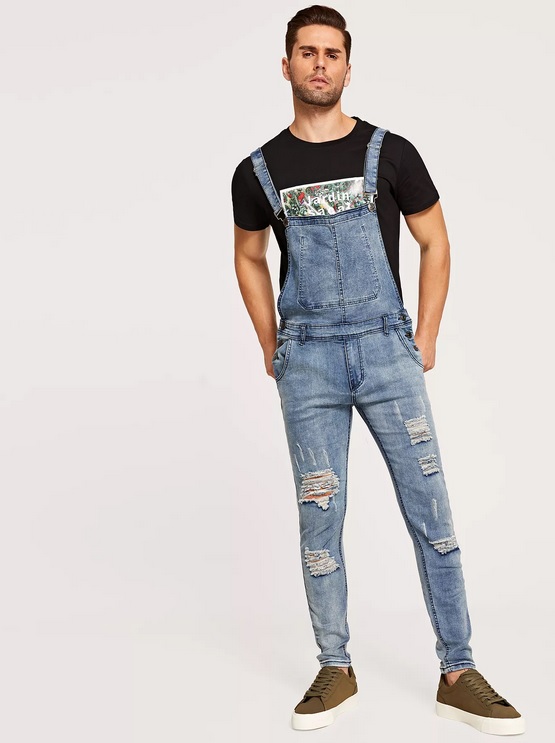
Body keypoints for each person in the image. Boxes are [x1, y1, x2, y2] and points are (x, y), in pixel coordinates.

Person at [231, 4, 525, 735]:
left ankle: (458, 671)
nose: (319, 64)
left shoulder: (390, 152)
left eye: (331, 53)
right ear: (286, 65)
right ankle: (335, 667)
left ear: (347, 67)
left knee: (432, 514)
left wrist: (424, 334)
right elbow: (248, 256)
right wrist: (272, 346)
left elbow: (436, 241)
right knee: (319, 520)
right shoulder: (258, 171)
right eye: (307, 52)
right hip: (308, 361)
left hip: (387, 352)